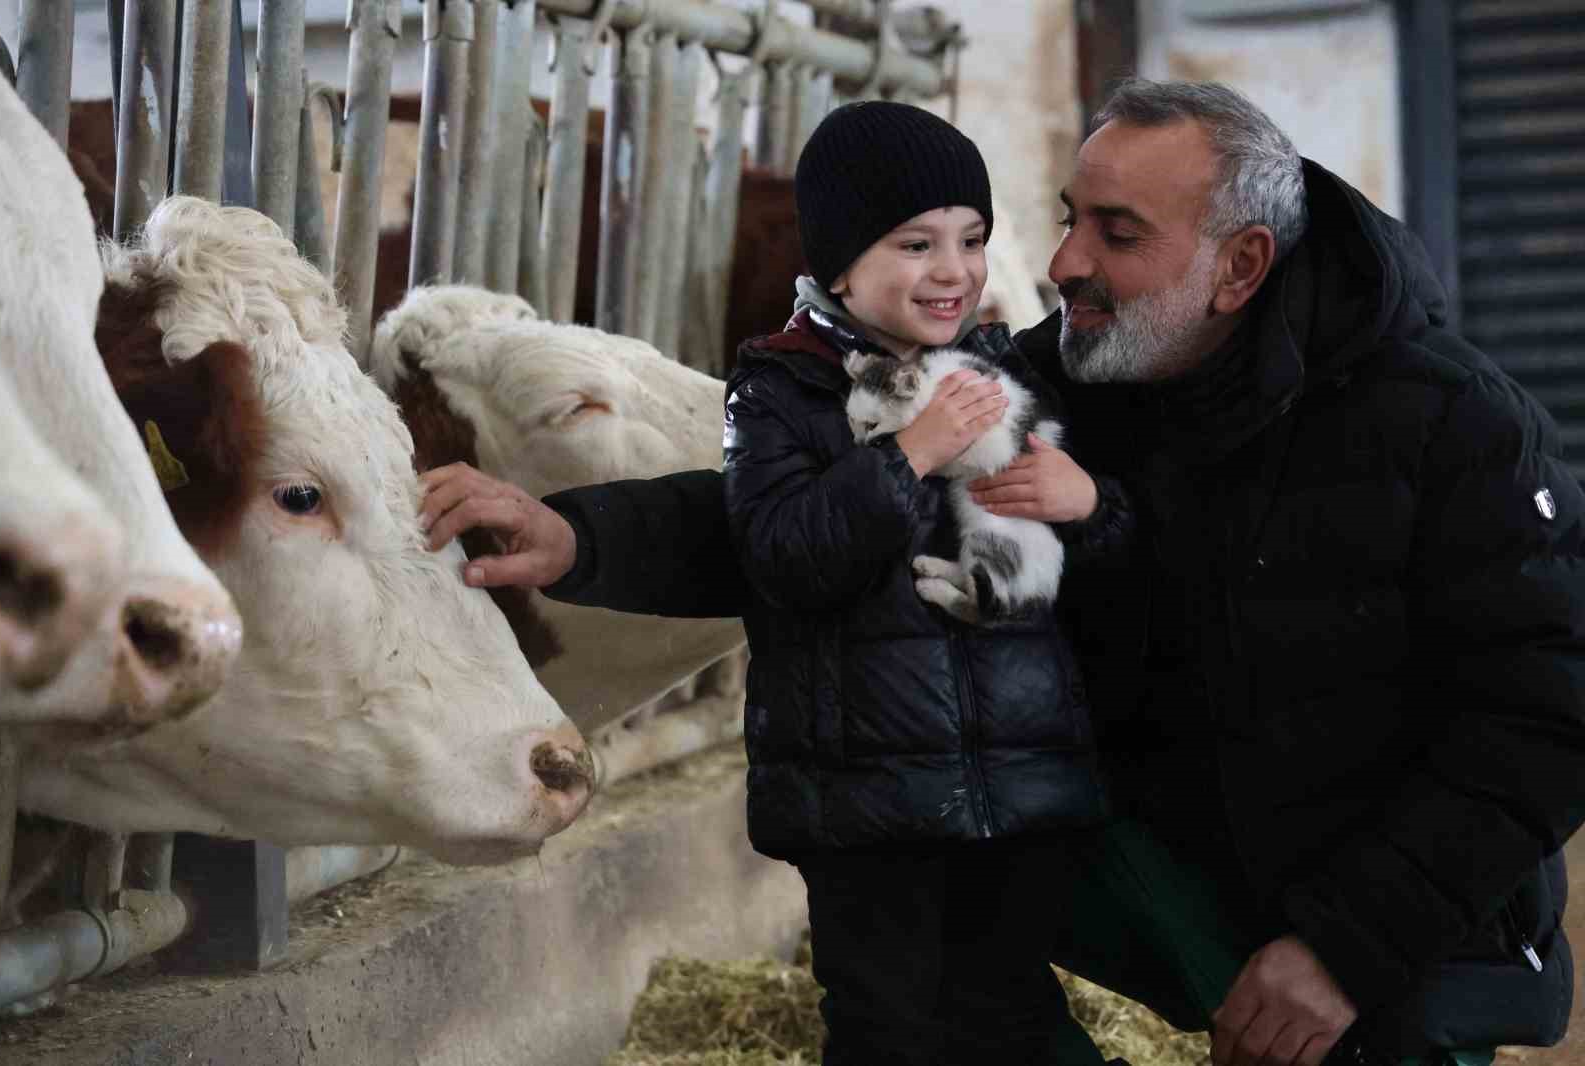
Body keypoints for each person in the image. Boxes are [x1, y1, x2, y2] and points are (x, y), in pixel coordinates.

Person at [419, 80, 1585, 1066]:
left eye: (1116, 234)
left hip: (1381, 910)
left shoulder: (1451, 427)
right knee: (927, 943)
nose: (1062, 263)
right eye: (1069, 218)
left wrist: (1347, 946)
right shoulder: (1081, 365)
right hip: (1160, 844)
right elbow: (825, 508)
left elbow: (1550, 709)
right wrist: (581, 538)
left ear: (1238, 267)